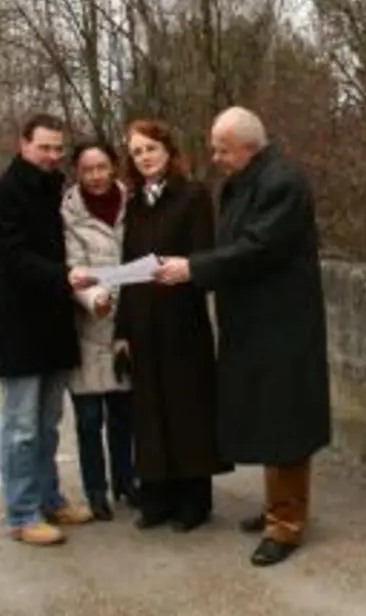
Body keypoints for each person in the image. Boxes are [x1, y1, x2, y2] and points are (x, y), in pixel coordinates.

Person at [154, 106, 332, 567]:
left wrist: (194, 268)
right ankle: (278, 507)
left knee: (286, 423)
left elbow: (258, 248)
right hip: (254, 321)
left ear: (249, 148)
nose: (215, 158)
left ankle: (286, 524)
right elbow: (233, 244)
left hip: (283, 324)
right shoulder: (243, 182)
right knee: (267, 419)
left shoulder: (283, 184)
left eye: (222, 150)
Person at [0, 113, 99, 546]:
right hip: (19, 330)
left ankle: (49, 499)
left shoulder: (55, 190)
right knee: (21, 430)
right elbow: (12, 260)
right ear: (23, 144)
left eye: (57, 148)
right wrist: (64, 277)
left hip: (54, 327)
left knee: (47, 426)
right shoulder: (5, 194)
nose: (52, 155)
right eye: (44, 147)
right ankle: (22, 513)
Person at [114, 119, 226, 533]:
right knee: (148, 410)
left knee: (186, 408)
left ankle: (193, 501)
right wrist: (122, 332)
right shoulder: (134, 205)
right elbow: (127, 269)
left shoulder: (193, 197)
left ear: (168, 151)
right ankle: (157, 497)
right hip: (142, 323)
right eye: (137, 152)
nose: (144, 157)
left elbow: (205, 256)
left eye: (151, 149)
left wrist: (185, 269)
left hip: (182, 319)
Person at [61, 139, 137, 521]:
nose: (95, 176)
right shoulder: (67, 215)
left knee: (124, 415)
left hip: (128, 326)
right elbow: (74, 268)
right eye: (87, 169)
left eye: (101, 167)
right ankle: (96, 490)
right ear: (77, 172)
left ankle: (126, 480)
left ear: (114, 167)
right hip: (87, 327)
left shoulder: (133, 205)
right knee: (90, 419)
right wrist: (94, 297)